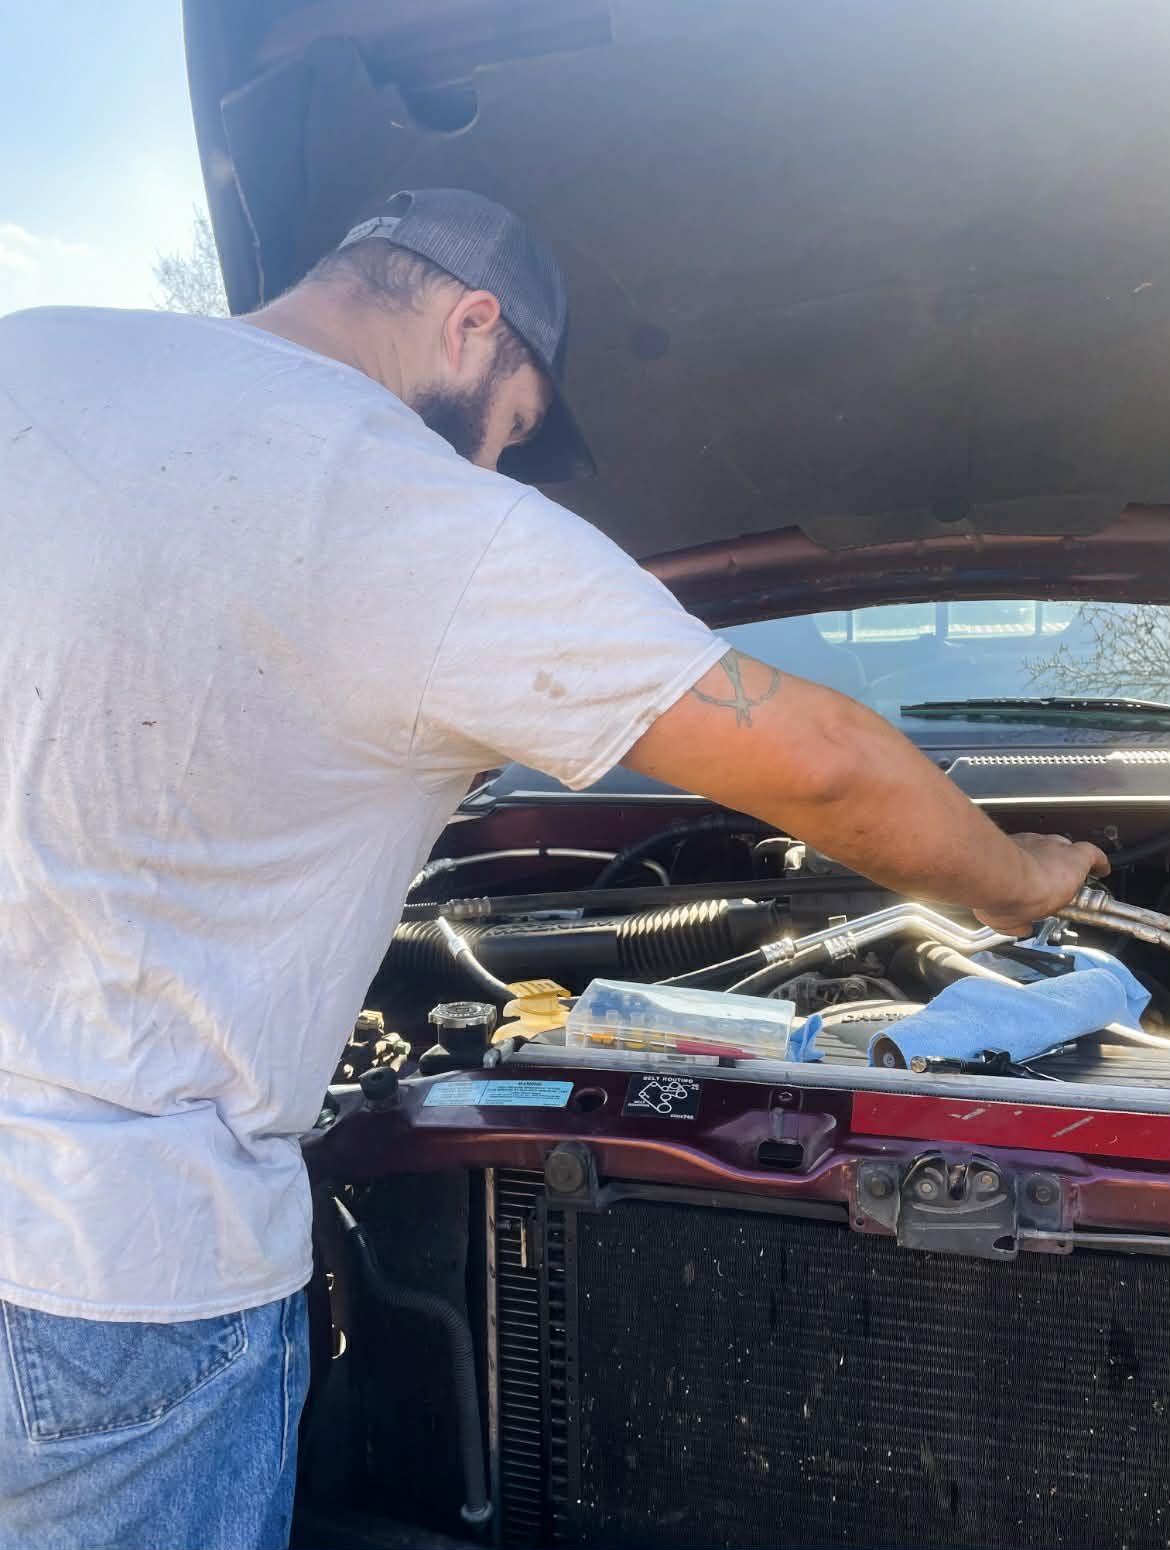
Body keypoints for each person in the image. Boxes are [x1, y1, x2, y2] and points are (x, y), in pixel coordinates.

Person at [0, 188, 1106, 1550]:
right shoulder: (404, 508)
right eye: (512, 432)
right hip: (98, 1266)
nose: (497, 475)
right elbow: (819, 764)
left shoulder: (34, 356)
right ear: (475, 329)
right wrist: (1018, 885)